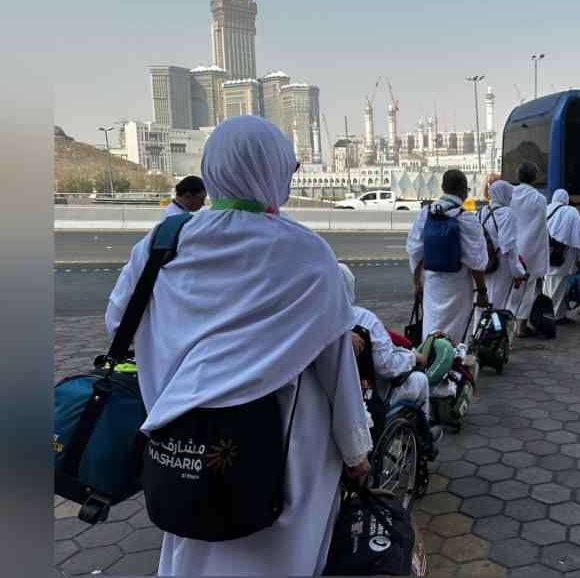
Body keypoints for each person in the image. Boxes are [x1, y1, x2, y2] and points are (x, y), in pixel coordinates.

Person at [106, 116, 372, 576]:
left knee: (194, 549)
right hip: (286, 448)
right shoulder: (307, 253)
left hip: (182, 434)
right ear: (271, 172)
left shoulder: (162, 242)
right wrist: (355, 452)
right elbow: (337, 370)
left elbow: (119, 323)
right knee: (279, 555)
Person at [340, 263, 441, 444]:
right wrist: (412, 358)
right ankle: (423, 439)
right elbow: (387, 366)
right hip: (371, 397)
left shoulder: (313, 322)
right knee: (420, 380)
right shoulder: (364, 319)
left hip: (334, 398)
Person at [406, 169, 489, 345]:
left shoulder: (426, 214)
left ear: (443, 188)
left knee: (432, 326)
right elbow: (477, 261)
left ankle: (429, 361)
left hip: (433, 285)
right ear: (463, 190)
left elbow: (414, 251)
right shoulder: (466, 218)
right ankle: (453, 366)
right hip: (458, 286)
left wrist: (417, 283)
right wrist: (482, 291)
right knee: (457, 331)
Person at [509, 163, 550, 337]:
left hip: (511, 249)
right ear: (535, 178)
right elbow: (541, 227)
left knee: (509, 288)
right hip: (531, 250)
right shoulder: (539, 199)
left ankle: (505, 325)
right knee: (528, 288)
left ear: (518, 176)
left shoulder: (509, 194)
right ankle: (521, 327)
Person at [478, 180, 527, 321]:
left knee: (483, 302)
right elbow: (509, 248)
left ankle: (478, 333)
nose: (511, 198)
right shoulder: (507, 214)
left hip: (485, 263)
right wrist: (518, 271)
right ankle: (492, 336)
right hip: (501, 266)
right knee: (498, 302)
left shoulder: (481, 212)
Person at [544, 188, 580, 322]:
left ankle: (553, 313)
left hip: (547, 252)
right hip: (562, 254)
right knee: (559, 284)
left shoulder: (546, 209)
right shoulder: (571, 211)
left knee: (548, 283)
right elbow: (578, 234)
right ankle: (555, 316)